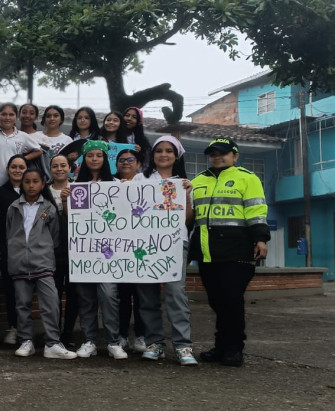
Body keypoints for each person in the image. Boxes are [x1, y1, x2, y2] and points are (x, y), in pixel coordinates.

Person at [190, 138, 268, 367]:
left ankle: (234, 349)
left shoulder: (247, 178)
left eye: (223, 153)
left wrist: (261, 239)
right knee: (217, 302)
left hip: (237, 251)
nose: (217, 156)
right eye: (213, 153)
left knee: (232, 301)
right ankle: (221, 346)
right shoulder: (197, 181)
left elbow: (256, 210)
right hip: (207, 252)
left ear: (235, 156)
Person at [135, 135, 197, 365]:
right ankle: (155, 343)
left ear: (176, 155)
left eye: (169, 151)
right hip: (144, 244)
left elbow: (188, 221)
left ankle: (183, 346)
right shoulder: (140, 179)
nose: (163, 154)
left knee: (175, 293)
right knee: (147, 295)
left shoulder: (184, 182)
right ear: (153, 154)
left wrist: (187, 198)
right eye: (159, 150)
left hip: (174, 242)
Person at [6, 168, 77, 359]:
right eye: (27, 181)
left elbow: (54, 236)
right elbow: (9, 233)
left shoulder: (49, 207)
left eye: (35, 181)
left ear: (42, 184)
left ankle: (52, 343)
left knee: (51, 303)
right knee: (22, 304)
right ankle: (25, 341)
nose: (31, 185)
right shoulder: (13, 207)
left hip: (43, 263)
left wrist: (41, 249)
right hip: (19, 263)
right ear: (22, 184)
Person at [72, 140, 127, 360]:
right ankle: (90, 340)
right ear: (84, 159)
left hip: (109, 253)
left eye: (99, 155)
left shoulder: (116, 184)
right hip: (84, 252)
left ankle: (113, 341)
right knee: (86, 298)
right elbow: (72, 220)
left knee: (108, 296)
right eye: (90, 155)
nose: (94, 159)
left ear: (105, 159)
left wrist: (124, 192)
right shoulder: (77, 186)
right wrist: (67, 199)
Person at [0, 155, 28, 345]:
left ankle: (27, 330)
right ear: (8, 169)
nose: (18, 170)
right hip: (7, 250)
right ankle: (14, 327)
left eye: (21, 167)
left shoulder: (33, 190)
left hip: (32, 250)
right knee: (11, 291)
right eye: (14, 167)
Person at [113, 149, 147, 352]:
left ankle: (141, 336)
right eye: (121, 160)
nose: (125, 163)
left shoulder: (148, 183)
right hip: (120, 248)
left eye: (130, 159)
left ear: (139, 163)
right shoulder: (110, 185)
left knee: (142, 297)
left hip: (143, 247)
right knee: (123, 296)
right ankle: (122, 335)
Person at [49, 155, 78, 346]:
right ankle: (54, 333)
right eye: (55, 166)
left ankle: (68, 334)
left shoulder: (80, 188)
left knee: (74, 294)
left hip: (76, 249)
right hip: (51, 250)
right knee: (54, 294)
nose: (59, 169)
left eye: (63, 165)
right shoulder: (44, 190)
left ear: (70, 168)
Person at [0, 103, 38, 198]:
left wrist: (23, 159)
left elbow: (38, 151)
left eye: (11, 115)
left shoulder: (22, 136)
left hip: (14, 186)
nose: (7, 117)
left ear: (16, 117)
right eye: (3, 114)